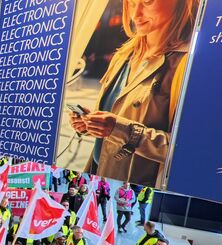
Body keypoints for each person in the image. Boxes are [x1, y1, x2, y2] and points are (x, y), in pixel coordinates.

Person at [69, 0, 198, 187]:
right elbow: (116, 116)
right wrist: (90, 123)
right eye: (131, 3)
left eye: (147, 2)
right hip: (98, 173)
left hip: (134, 187)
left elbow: (185, 149)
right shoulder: (124, 54)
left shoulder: (186, 65)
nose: (135, 14)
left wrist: (120, 129)